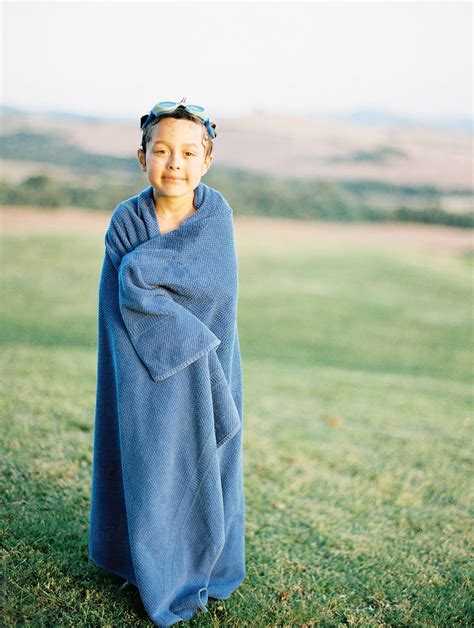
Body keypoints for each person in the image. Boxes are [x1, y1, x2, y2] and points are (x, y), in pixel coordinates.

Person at [88, 98, 246, 627]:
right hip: (137, 368)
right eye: (161, 151)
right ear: (142, 158)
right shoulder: (127, 220)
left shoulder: (216, 219)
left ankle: (208, 562)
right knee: (144, 461)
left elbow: (216, 292)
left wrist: (143, 277)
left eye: (186, 152)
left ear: (206, 161)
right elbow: (119, 297)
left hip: (208, 364)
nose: (173, 163)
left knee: (207, 460)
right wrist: (141, 281)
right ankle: (141, 563)